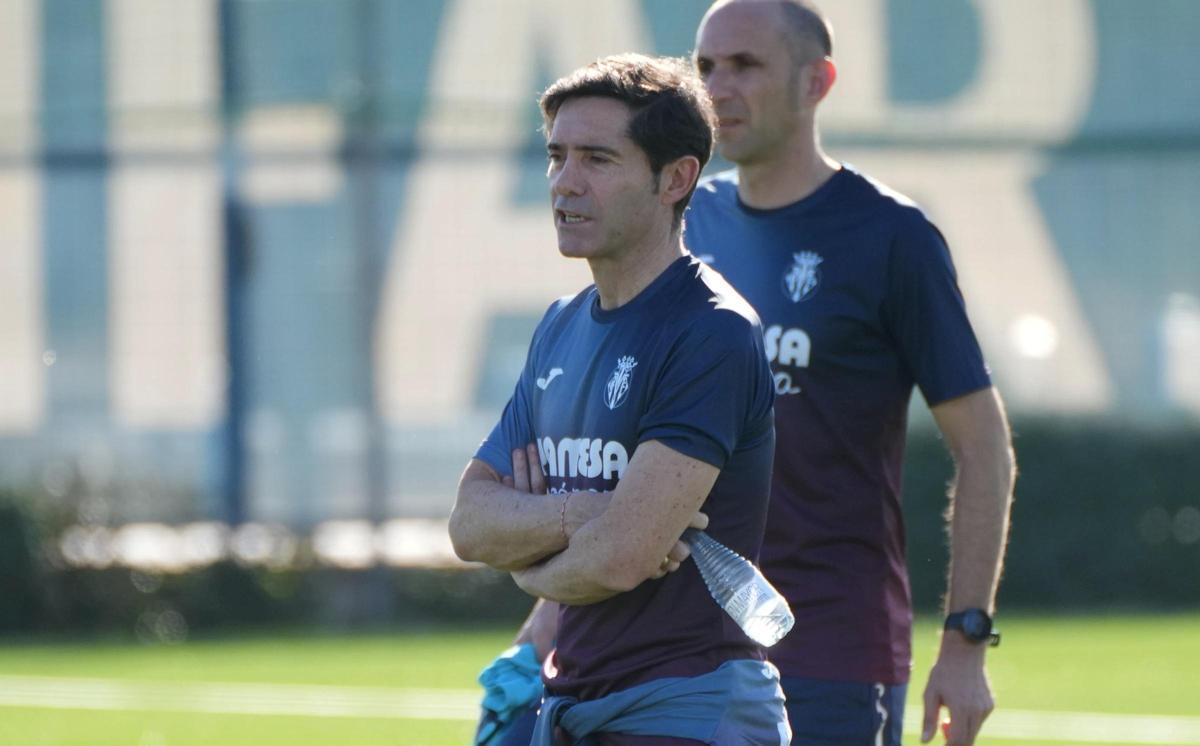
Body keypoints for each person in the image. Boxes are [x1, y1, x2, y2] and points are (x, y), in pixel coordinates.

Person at [684, 2, 1016, 745]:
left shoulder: (891, 235)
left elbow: (984, 446)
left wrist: (965, 642)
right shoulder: (681, 225)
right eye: (705, 66)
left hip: (830, 649)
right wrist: (546, 626)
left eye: (745, 65)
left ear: (817, 82)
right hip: (678, 648)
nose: (716, 87)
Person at [449, 53, 789, 745]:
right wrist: (582, 511)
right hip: (572, 699)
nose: (564, 184)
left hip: (684, 706)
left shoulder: (710, 331)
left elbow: (621, 558)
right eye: (556, 157)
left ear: (676, 178)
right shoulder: (559, 327)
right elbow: (469, 523)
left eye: (597, 160)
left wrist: (526, 567)